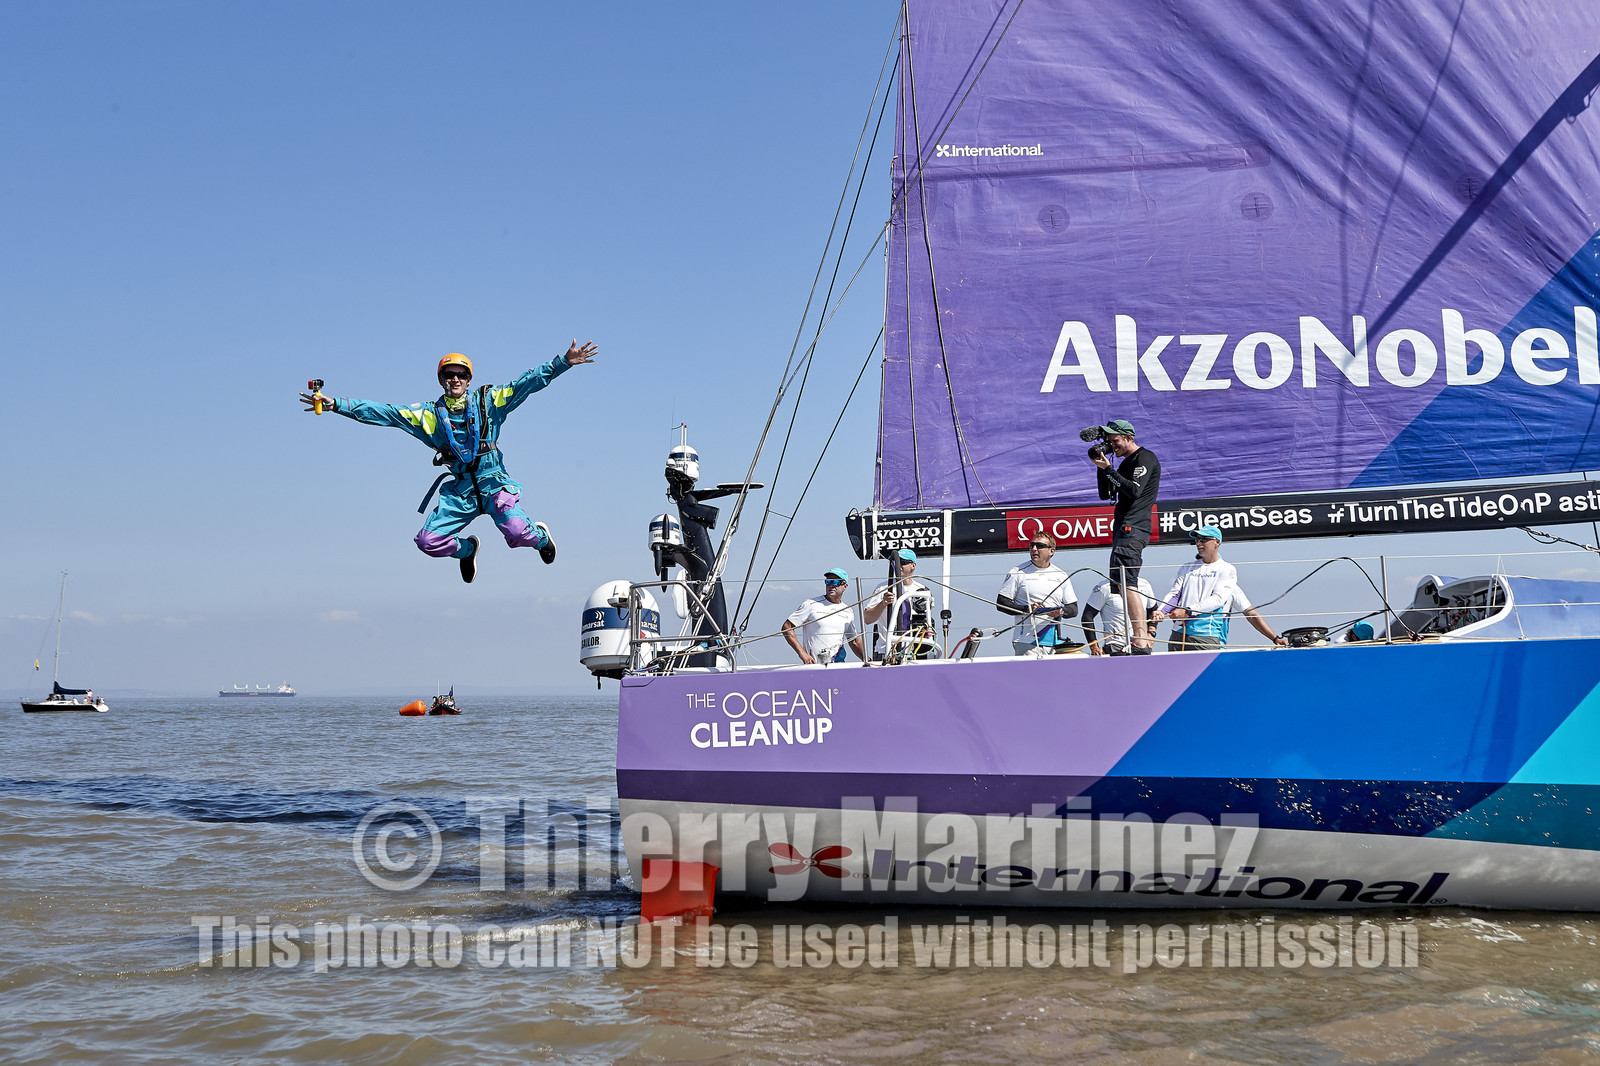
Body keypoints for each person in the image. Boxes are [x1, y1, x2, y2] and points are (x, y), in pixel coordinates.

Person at [299, 341, 597, 583]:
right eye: (449, 374)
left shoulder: (489, 401)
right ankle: (467, 550)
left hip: (494, 485)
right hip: (461, 493)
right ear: (441, 379)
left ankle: (542, 539)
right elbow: (384, 413)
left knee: (518, 532)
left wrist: (563, 363)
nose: (455, 379)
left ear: (469, 379)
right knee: (428, 541)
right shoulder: (427, 415)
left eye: (461, 375)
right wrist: (336, 405)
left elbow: (526, 383)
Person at [1151, 525, 1289, 651]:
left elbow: (1221, 601)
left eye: (1204, 539)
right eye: (1197, 540)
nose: (1198, 543)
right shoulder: (1187, 567)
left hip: (1205, 636)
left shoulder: (1227, 570)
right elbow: (1174, 594)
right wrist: (1160, 611)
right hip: (1177, 634)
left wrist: (1274, 638)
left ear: (1217, 542)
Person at [1091, 418, 1159, 653]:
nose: (1112, 445)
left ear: (1129, 437)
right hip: (1123, 529)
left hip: (1133, 528)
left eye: (1115, 441)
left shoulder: (1144, 457)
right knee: (1121, 585)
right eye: (1109, 442)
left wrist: (1108, 469)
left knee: (1128, 583)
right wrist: (1101, 466)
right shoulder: (1125, 463)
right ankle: (1138, 638)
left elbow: (1134, 491)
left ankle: (1140, 639)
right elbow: (1105, 494)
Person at [997, 531, 1079, 655]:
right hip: (1025, 641)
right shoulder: (1017, 572)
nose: (1034, 549)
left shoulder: (1061, 575)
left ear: (1052, 551)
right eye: (1032, 545)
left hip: (1054, 643)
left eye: (1039, 546)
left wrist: (1061, 611)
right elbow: (1001, 603)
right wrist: (1027, 609)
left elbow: (1073, 609)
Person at [864, 548, 938, 660]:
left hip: (914, 652)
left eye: (902, 562)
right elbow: (867, 619)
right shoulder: (883, 588)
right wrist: (883, 603)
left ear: (913, 566)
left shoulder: (923, 590)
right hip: (886, 651)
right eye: (894, 562)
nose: (898, 566)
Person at [783, 568, 866, 665]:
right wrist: (802, 653)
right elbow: (787, 627)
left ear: (845, 586)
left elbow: (854, 641)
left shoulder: (848, 611)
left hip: (838, 664)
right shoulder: (811, 604)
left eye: (835, 582)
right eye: (828, 582)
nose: (831, 585)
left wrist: (868, 660)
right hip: (814, 664)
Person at [1081, 574, 1157, 655]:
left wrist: (1151, 633)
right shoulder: (1104, 587)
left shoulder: (1145, 584)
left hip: (1141, 645)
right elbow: (1087, 617)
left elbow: (1153, 610)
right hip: (1115, 646)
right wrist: (1094, 647)